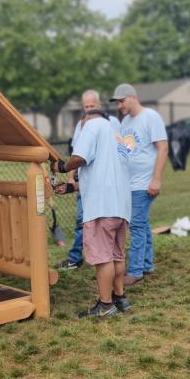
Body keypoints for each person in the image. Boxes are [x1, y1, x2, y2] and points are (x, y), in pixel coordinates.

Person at [51, 108, 131, 319]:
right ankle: (120, 298)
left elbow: (79, 158)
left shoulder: (92, 125)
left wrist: (62, 166)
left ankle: (105, 305)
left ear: (87, 120)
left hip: (101, 209)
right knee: (116, 255)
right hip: (120, 207)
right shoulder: (116, 136)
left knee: (103, 259)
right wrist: (71, 188)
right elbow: (103, 174)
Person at [55, 90, 120, 270]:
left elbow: (121, 150)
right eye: (86, 106)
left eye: (92, 106)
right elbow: (77, 153)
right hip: (87, 183)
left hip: (108, 184)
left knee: (107, 224)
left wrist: (62, 167)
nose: (89, 109)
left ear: (99, 105)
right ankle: (76, 257)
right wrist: (70, 180)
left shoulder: (112, 123)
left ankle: (107, 258)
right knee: (82, 220)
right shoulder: (82, 124)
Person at [110, 83, 168, 286]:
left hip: (144, 184)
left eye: (122, 101)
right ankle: (146, 264)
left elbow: (163, 148)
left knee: (136, 225)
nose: (119, 105)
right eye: (117, 102)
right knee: (142, 224)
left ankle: (135, 272)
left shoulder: (151, 117)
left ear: (133, 97)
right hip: (130, 184)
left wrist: (156, 179)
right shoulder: (125, 120)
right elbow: (127, 148)